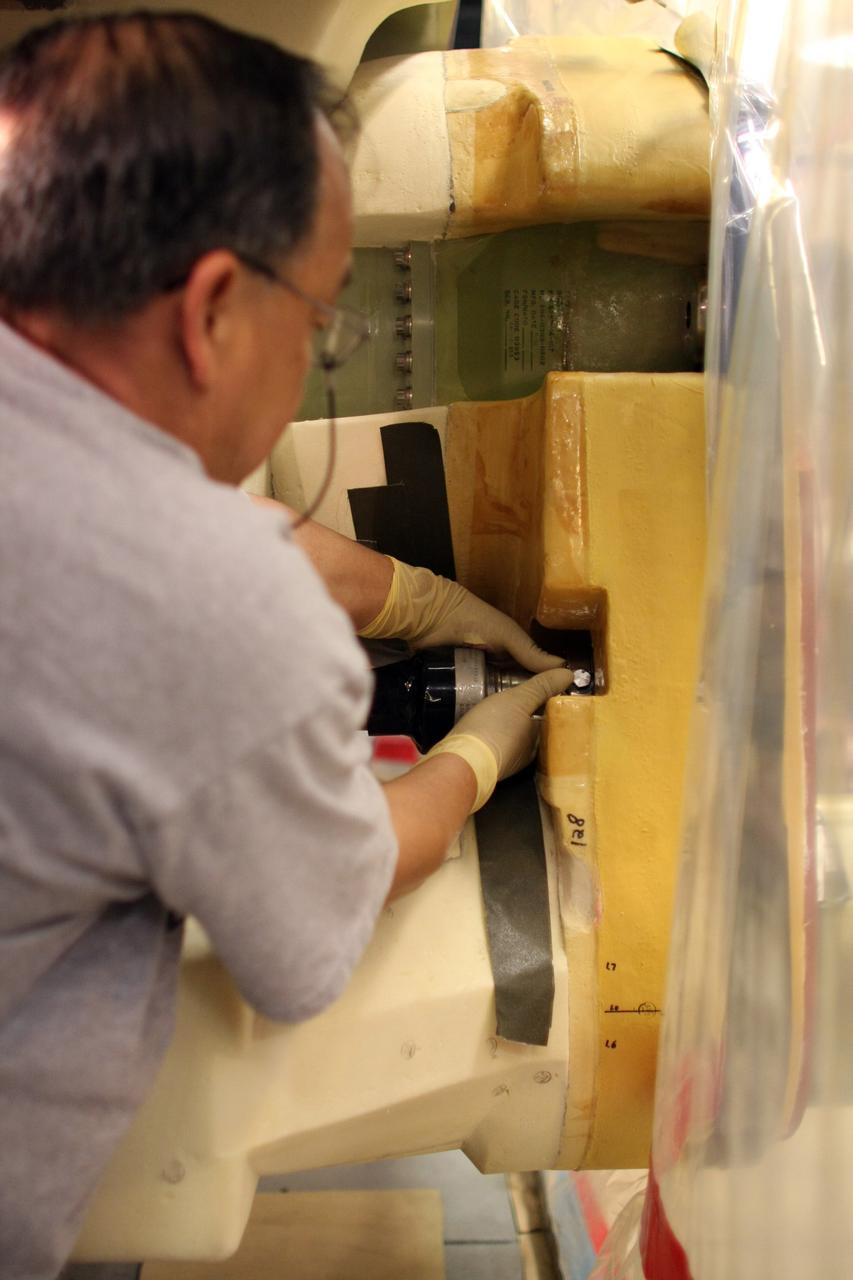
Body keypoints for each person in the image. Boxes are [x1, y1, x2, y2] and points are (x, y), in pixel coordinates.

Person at [0, 13, 572, 1278]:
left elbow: (163, 514)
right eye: (319, 325)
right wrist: (485, 749)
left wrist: (416, 598)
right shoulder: (205, 609)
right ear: (211, 308)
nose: (317, 356)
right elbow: (320, 919)